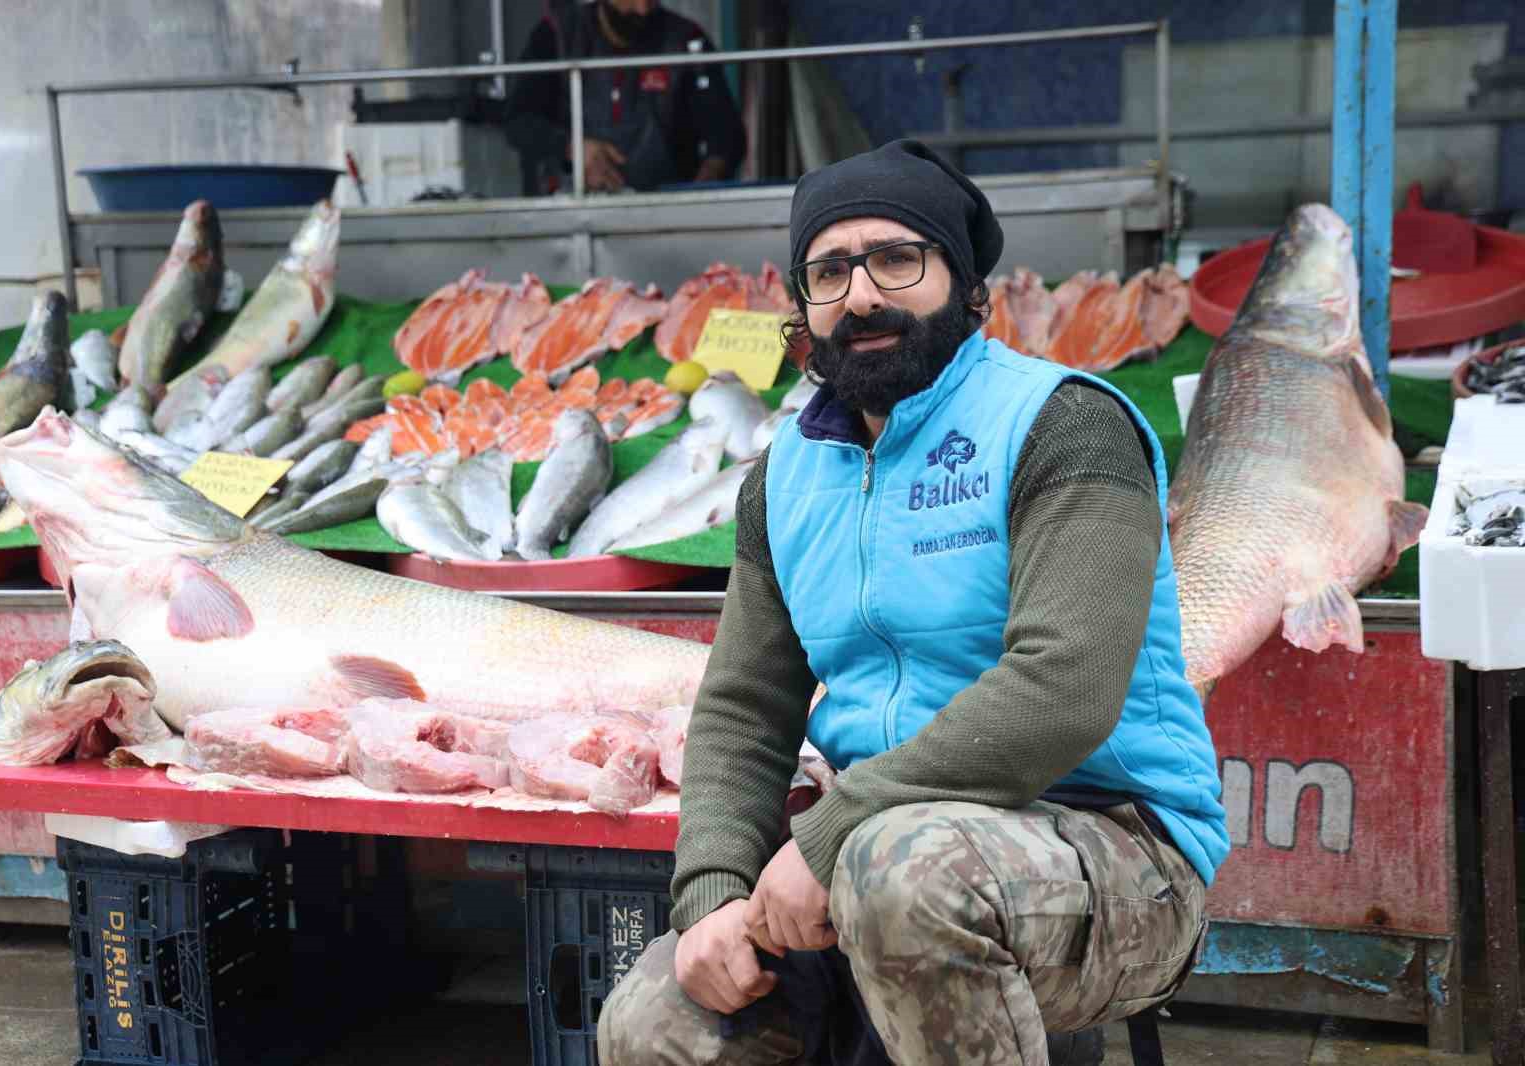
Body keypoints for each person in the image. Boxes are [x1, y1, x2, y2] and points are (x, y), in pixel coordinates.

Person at [597, 140, 1229, 1066]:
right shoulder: (783, 479)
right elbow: (743, 708)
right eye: (831, 270)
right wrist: (714, 895)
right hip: (876, 856)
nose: (861, 295)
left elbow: (1063, 688)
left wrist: (830, 835)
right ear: (805, 303)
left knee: (905, 877)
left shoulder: (1064, 425)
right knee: (653, 1017)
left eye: (898, 259)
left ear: (967, 288)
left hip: (1117, 849)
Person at [503, 0, 746, 195]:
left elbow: (727, 137)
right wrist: (573, 147)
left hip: (665, 210)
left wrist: (700, 192)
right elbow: (519, 121)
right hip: (571, 209)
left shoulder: (687, 40)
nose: (642, 8)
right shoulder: (556, 34)